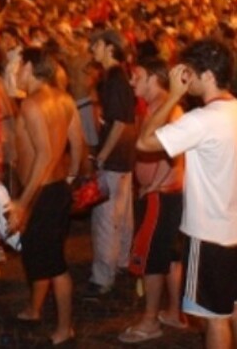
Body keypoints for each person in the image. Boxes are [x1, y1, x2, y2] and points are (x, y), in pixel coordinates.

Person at [137, 39, 237, 349]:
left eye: (188, 73)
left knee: (214, 317)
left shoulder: (202, 120)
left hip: (209, 234)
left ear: (206, 75)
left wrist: (173, 95)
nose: (184, 79)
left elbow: (145, 142)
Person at [8, 47, 83, 346]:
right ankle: (34, 308)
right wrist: (72, 179)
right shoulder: (65, 99)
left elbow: (44, 155)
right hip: (56, 189)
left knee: (54, 264)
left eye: (18, 66)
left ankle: (66, 328)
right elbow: (76, 145)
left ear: (29, 67)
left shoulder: (32, 104)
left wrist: (23, 202)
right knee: (40, 254)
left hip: (41, 192)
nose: (15, 72)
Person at [119, 56, 186, 344]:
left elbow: (175, 157)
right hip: (162, 195)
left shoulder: (167, 108)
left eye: (137, 75)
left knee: (151, 260)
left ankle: (150, 321)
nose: (132, 81)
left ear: (152, 78)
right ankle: (173, 312)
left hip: (161, 196)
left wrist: (154, 186)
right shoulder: (157, 107)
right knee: (168, 256)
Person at [86, 29, 136, 297]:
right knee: (122, 214)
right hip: (124, 155)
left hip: (115, 156)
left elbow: (119, 121)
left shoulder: (115, 78)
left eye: (95, 44)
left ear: (108, 47)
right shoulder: (118, 77)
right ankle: (121, 262)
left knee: (106, 217)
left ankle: (102, 277)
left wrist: (102, 154)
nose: (92, 49)